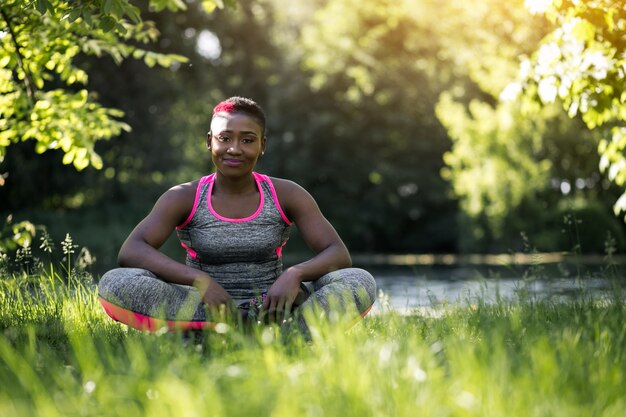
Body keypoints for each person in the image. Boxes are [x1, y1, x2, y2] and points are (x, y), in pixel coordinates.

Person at [98, 96, 376, 334]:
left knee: (359, 280)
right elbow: (132, 250)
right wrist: (200, 281)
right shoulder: (184, 196)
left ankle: (287, 333)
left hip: (274, 306)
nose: (235, 149)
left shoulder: (286, 194)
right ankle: (226, 328)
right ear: (210, 142)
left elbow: (338, 253)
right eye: (225, 138)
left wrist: (295, 274)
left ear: (262, 145)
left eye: (247, 140)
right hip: (204, 306)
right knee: (115, 281)